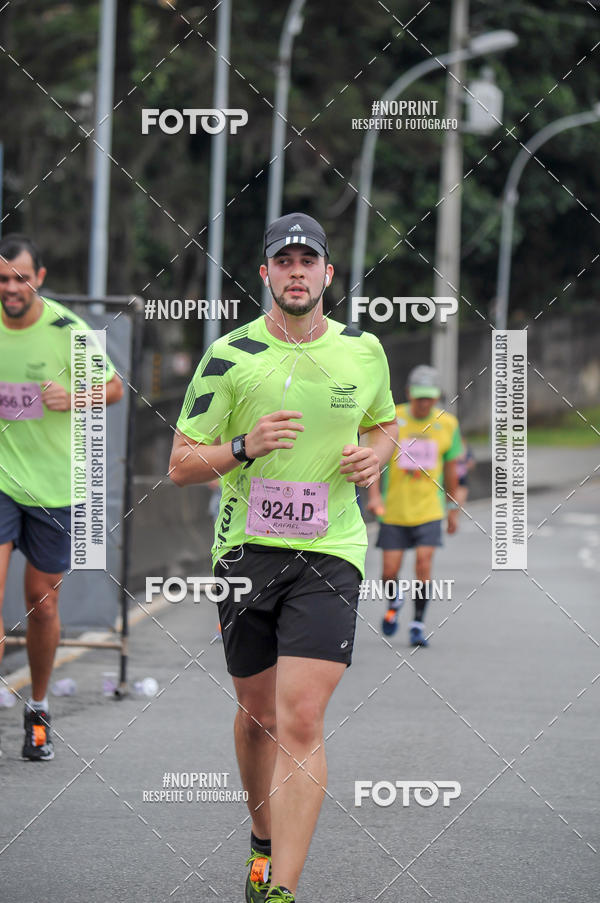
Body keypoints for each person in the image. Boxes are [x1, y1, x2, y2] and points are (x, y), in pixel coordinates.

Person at [169, 212, 397, 903]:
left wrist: (375, 454)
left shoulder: (364, 351)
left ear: (329, 274)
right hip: (246, 550)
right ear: (264, 273)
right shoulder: (230, 357)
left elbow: (387, 422)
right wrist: (243, 446)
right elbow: (180, 463)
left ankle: (282, 892)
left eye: (309, 261)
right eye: (283, 261)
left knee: (301, 716)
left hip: (332, 549)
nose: (296, 272)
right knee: (258, 714)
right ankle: (262, 838)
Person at [0, 234, 123, 760]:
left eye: (20, 278)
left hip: (54, 488)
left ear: (40, 279)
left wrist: (74, 397)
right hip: (2, 480)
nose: (11, 288)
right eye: (3, 279)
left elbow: (115, 388)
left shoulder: (66, 331)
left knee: (41, 605)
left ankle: (40, 706)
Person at [367, 365, 461, 647]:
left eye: (429, 397)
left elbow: (453, 467)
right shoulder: (392, 416)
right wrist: (374, 496)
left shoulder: (448, 424)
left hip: (429, 510)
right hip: (394, 510)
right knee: (389, 572)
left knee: (423, 564)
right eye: (419, 396)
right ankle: (394, 600)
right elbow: (374, 459)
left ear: (436, 397)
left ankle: (417, 623)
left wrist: (453, 507)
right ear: (409, 393)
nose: (424, 402)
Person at [455, 439, 476, 509]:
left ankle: (456, 509)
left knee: (460, 496)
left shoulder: (466, 449)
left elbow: (471, 463)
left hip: (461, 476)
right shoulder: (453, 449)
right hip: (455, 476)